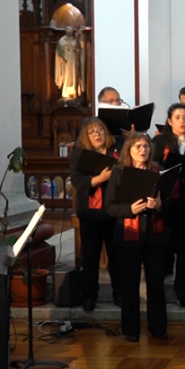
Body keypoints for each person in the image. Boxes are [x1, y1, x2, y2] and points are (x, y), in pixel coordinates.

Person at [105, 132, 168, 342]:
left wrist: (159, 204)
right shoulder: (119, 172)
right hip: (128, 234)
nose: (143, 150)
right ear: (129, 150)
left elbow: (169, 202)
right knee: (129, 285)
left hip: (154, 235)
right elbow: (109, 206)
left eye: (146, 146)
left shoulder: (157, 172)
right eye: (138, 146)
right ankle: (131, 330)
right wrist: (129, 209)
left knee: (156, 284)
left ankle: (158, 328)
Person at [152, 103, 185, 309]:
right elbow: (153, 165)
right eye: (178, 117)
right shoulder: (160, 141)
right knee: (163, 246)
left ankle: (183, 292)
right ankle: (158, 291)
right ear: (169, 121)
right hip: (166, 200)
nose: (182, 120)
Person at [71, 118, 121, 312]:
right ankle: (89, 295)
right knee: (90, 256)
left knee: (116, 256)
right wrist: (99, 179)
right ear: (86, 136)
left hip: (113, 210)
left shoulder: (115, 150)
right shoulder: (80, 153)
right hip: (90, 212)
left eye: (100, 129)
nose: (97, 134)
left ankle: (119, 293)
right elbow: (77, 180)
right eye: (92, 132)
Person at [55, 27, 83, 100]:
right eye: (67, 29)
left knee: (74, 75)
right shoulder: (61, 40)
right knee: (66, 76)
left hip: (73, 60)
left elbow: (80, 50)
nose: (69, 31)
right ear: (65, 30)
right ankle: (66, 92)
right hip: (65, 61)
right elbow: (58, 53)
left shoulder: (76, 40)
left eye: (70, 29)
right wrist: (62, 59)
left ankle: (74, 91)